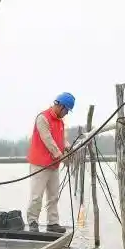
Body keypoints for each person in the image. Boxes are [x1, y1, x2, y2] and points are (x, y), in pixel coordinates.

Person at [25, 92, 75, 234]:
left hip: (53, 165)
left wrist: (68, 146)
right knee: (37, 195)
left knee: (53, 196)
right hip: (40, 165)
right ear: (60, 105)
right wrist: (60, 155)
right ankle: (33, 221)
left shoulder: (60, 122)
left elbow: (60, 139)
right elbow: (48, 140)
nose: (66, 114)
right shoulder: (43, 118)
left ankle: (52, 223)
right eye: (66, 110)